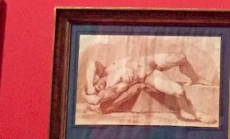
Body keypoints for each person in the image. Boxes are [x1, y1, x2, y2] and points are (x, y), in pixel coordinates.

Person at [83, 51, 212, 123]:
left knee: (181, 57)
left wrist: (89, 88)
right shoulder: (114, 88)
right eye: (98, 89)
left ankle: (195, 78)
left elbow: (92, 63)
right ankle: (196, 114)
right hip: (148, 76)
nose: (98, 86)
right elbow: (96, 100)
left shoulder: (107, 69)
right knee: (179, 91)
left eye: (96, 84)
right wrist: (88, 96)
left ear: (96, 78)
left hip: (150, 60)